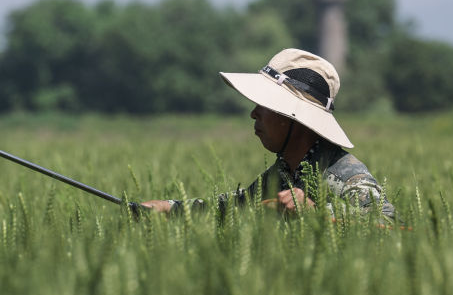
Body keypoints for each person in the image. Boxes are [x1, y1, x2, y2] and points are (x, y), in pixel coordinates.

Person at [141, 48, 395, 219]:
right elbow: (234, 209)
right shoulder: (284, 171)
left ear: (293, 118)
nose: (254, 114)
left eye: (265, 106)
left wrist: (316, 211)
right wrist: (167, 208)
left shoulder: (343, 172)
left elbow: (389, 221)